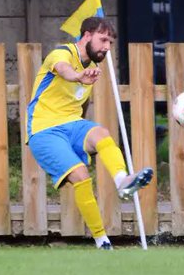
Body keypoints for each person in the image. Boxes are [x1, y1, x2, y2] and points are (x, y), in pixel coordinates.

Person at [25, 17, 153, 249]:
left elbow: (78, 103)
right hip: (44, 130)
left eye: (111, 43)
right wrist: (77, 76)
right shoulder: (61, 54)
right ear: (86, 36)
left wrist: (82, 136)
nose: (107, 47)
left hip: (72, 124)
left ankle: (122, 181)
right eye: (103, 40)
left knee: (102, 134)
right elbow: (64, 70)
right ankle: (101, 240)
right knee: (81, 175)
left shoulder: (91, 69)